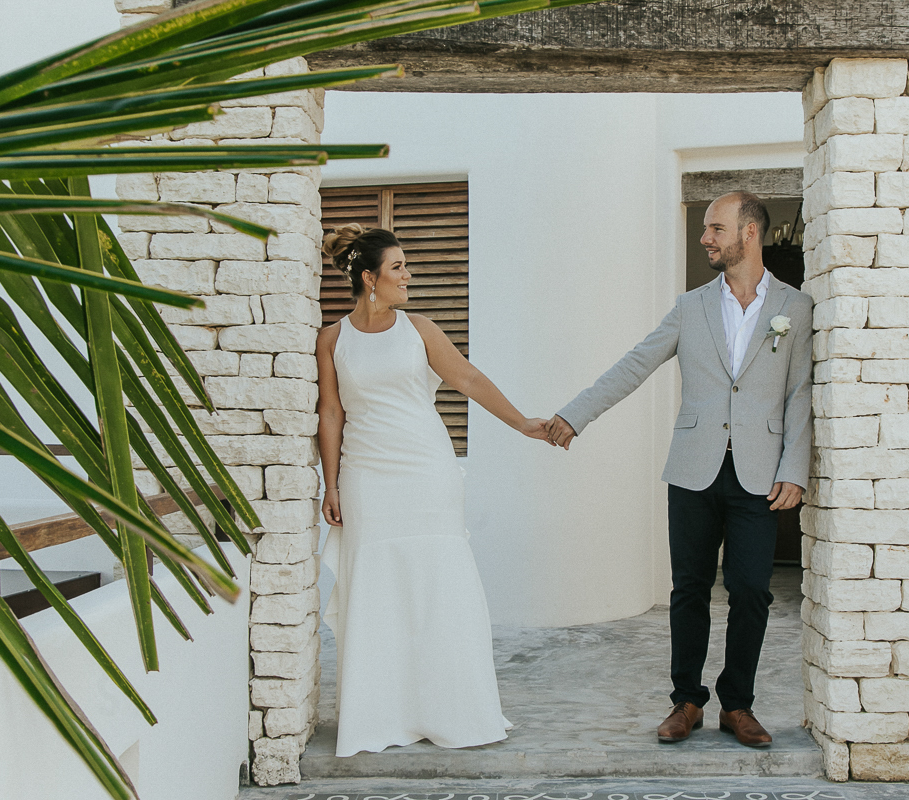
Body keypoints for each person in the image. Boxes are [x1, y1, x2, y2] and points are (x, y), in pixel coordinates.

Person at [545, 191, 811, 748]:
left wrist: (795, 469)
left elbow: (799, 396)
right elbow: (637, 363)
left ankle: (737, 705)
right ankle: (686, 700)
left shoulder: (797, 306)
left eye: (716, 228)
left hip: (760, 475)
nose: (705, 237)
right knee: (689, 589)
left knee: (751, 591)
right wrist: (576, 414)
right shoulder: (691, 307)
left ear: (749, 233)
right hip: (693, 470)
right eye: (706, 228)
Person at [316, 223, 550, 756]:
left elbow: (467, 379)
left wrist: (521, 423)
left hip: (426, 471)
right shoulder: (332, 339)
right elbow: (329, 413)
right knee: (374, 588)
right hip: (366, 477)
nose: (409, 275)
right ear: (369, 278)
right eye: (398, 267)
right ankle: (379, 717)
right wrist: (328, 483)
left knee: (439, 587)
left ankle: (452, 711)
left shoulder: (419, 328)